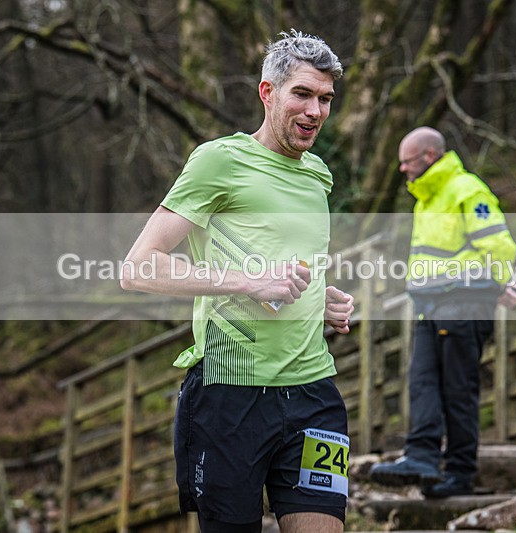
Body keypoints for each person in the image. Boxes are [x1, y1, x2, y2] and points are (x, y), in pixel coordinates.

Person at [121, 30, 354, 533]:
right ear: (268, 93)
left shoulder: (318, 174)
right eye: (303, 94)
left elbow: (285, 261)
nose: (315, 111)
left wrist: (320, 299)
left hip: (313, 392)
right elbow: (139, 267)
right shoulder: (219, 161)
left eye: (326, 99)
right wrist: (249, 283)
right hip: (231, 398)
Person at [369, 127, 516, 498]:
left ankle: (459, 472)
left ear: (429, 157)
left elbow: (499, 244)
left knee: (457, 391)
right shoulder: (426, 199)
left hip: (464, 303)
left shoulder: (467, 189)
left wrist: (498, 284)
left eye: (407, 162)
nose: (402, 170)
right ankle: (421, 458)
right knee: (421, 382)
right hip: (429, 306)